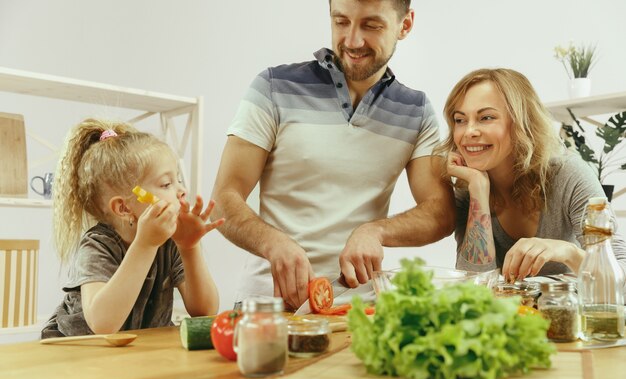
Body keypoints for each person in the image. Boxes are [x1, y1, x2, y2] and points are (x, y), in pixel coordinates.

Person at [211, 0, 455, 310]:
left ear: (404, 25)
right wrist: (271, 242)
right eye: (341, 22)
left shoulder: (416, 111)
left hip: (359, 312)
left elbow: (441, 212)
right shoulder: (274, 87)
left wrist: (376, 231)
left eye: (371, 25)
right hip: (266, 306)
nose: (352, 41)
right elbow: (223, 198)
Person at [41, 119, 224, 338]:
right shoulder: (97, 245)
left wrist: (189, 248)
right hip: (78, 352)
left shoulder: (171, 240)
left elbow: (204, 311)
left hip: (136, 351)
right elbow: (103, 325)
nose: (182, 190)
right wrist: (145, 244)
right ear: (124, 207)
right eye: (166, 184)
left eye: (178, 180)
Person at [439, 68, 626, 281]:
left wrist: (568, 252)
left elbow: (620, 272)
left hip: (565, 311)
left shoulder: (568, 174)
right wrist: (479, 191)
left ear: (521, 123)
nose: (469, 131)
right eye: (460, 120)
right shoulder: (469, 187)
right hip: (513, 314)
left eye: (486, 117)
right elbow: (473, 284)